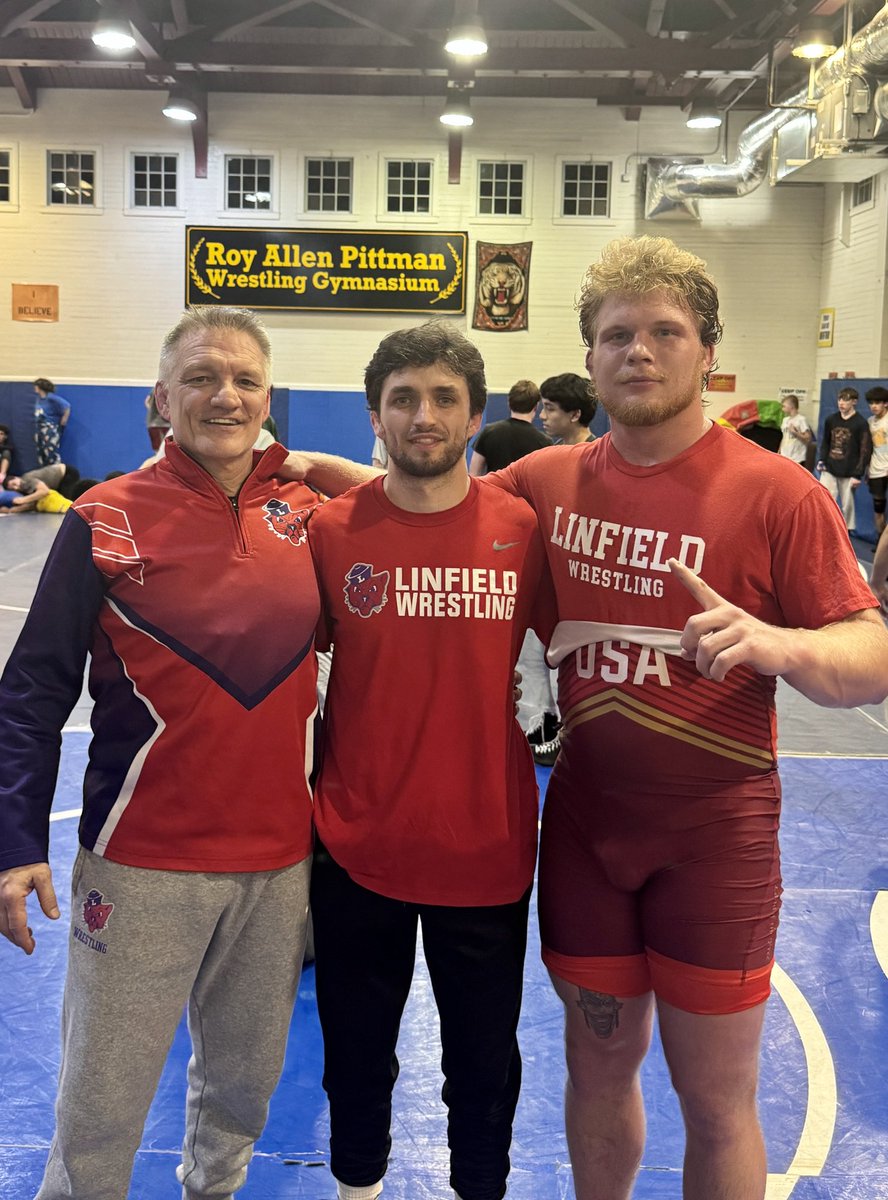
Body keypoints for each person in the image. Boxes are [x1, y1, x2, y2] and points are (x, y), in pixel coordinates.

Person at [483, 236, 888, 1200]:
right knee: (595, 1070)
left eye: (665, 332)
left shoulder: (778, 493)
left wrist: (781, 644)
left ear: (708, 351)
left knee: (715, 1102)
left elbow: (872, 658)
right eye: (616, 334)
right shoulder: (543, 483)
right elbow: (421, 512)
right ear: (589, 358)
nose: (639, 351)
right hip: (585, 833)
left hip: (716, 842)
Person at [0, 306, 320, 1200]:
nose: (226, 396)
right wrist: (16, 840)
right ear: (161, 398)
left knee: (243, 1093)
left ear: (268, 400)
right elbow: (33, 688)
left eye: (246, 380)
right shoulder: (106, 516)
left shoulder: (311, 514)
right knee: (101, 1111)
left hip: (279, 866)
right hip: (141, 864)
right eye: (201, 377)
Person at [307, 322, 549, 1200]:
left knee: (483, 1070)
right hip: (356, 845)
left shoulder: (522, 530)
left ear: (475, 415)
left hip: (484, 846)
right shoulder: (331, 531)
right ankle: (356, 1189)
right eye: (403, 398)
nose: (424, 415)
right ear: (374, 415)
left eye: (445, 397)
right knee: (354, 1056)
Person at [468, 377, 550, 475]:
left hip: (494, 485)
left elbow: (474, 473)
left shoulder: (488, 432)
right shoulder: (544, 443)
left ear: (509, 403)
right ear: (536, 406)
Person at [817, 386, 872, 531]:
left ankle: (846, 531)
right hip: (830, 467)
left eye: (846, 400)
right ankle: (823, 527)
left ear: (854, 402)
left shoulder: (860, 423)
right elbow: (825, 441)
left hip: (849, 470)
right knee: (825, 499)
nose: (841, 403)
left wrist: (858, 474)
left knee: (847, 505)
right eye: (839, 399)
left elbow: (865, 449)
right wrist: (822, 460)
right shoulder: (831, 420)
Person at [539, 373, 598, 446]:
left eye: (550, 409)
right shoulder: (556, 447)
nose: (542, 416)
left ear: (575, 415)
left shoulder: (597, 452)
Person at [33, 377, 71, 466]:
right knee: (41, 452)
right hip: (39, 428)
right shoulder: (38, 399)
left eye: (36, 386)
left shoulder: (51, 397)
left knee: (50, 451)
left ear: (40, 387)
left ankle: (55, 470)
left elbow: (67, 406)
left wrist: (63, 421)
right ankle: (45, 470)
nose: (34, 388)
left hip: (49, 428)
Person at [865, 385, 888, 535]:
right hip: (876, 470)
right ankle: (881, 541)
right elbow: (868, 447)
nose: (873, 406)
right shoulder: (870, 421)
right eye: (871, 403)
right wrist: (867, 468)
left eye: (877, 403)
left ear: (885, 403)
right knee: (878, 508)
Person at [777, 393, 812, 464]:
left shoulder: (801, 419)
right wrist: (779, 450)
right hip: (785, 455)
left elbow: (808, 438)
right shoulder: (785, 420)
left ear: (791, 406)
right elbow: (784, 437)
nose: (782, 409)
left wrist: (796, 433)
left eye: (784, 406)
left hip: (797, 457)